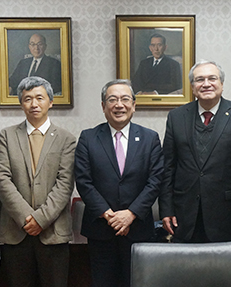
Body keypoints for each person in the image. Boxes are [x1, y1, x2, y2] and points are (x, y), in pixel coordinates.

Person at [159, 60, 231, 243]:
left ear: (221, 84)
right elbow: (168, 167)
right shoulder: (176, 117)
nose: (206, 84)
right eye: (200, 80)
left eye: (212, 78)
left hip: (228, 215)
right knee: (185, 269)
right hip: (184, 215)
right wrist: (166, 209)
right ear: (193, 87)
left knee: (225, 270)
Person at [75, 79, 163, 287]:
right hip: (101, 230)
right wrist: (110, 216)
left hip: (138, 228)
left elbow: (155, 180)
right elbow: (84, 181)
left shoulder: (150, 138)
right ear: (103, 106)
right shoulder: (88, 138)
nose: (119, 105)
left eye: (125, 99)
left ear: (134, 104)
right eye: (112, 99)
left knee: (138, 282)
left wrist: (130, 214)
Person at [0, 76, 76, 287]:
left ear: (50, 101)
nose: (34, 104)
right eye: (27, 99)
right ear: (21, 104)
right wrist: (26, 217)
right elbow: (2, 180)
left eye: (39, 97)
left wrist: (41, 219)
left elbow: (65, 184)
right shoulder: (6, 136)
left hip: (53, 232)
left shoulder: (66, 139)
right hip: (16, 231)